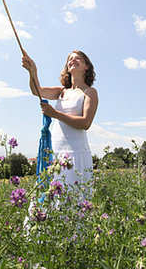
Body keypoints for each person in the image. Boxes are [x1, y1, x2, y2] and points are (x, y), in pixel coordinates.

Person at [22, 50, 98, 200]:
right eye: (70, 59)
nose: (73, 60)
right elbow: (36, 91)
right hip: (55, 152)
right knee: (49, 198)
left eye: (78, 58)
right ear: (67, 67)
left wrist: (55, 114)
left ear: (86, 67)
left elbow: (85, 123)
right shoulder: (61, 92)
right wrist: (33, 71)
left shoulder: (90, 92)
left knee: (73, 200)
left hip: (75, 154)